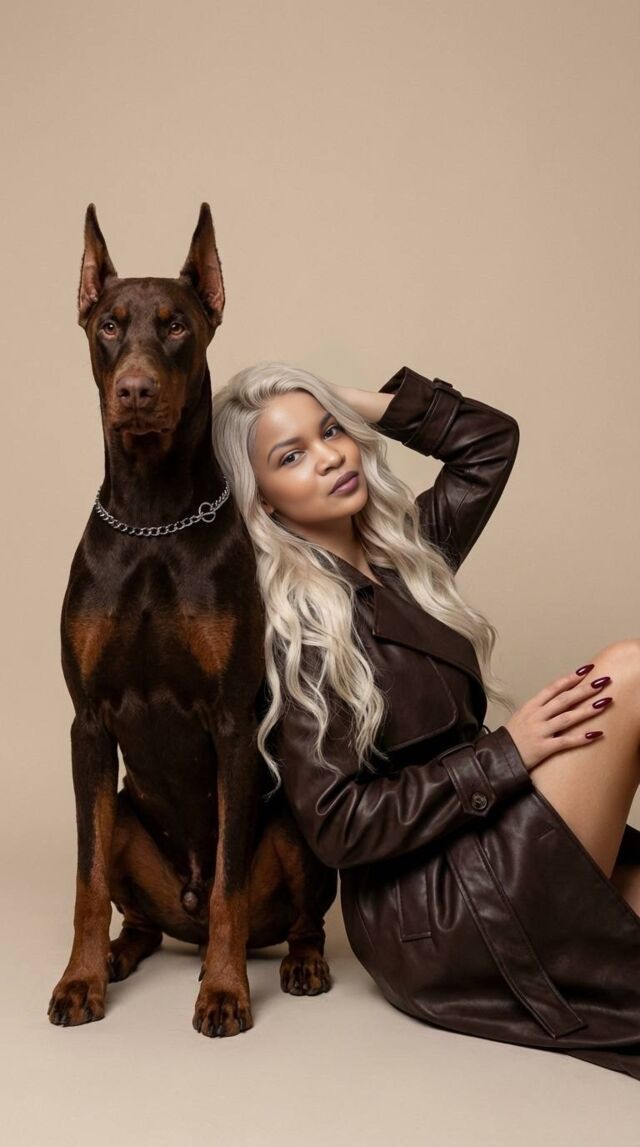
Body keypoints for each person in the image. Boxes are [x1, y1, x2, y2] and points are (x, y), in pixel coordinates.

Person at [211, 360, 640, 1081]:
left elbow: (489, 443)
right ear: (263, 502)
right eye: (291, 457)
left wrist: (340, 398)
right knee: (629, 671)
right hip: (434, 906)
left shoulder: (409, 554)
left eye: (331, 432)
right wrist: (507, 753)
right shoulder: (298, 628)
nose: (330, 457)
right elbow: (338, 826)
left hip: (492, 834)